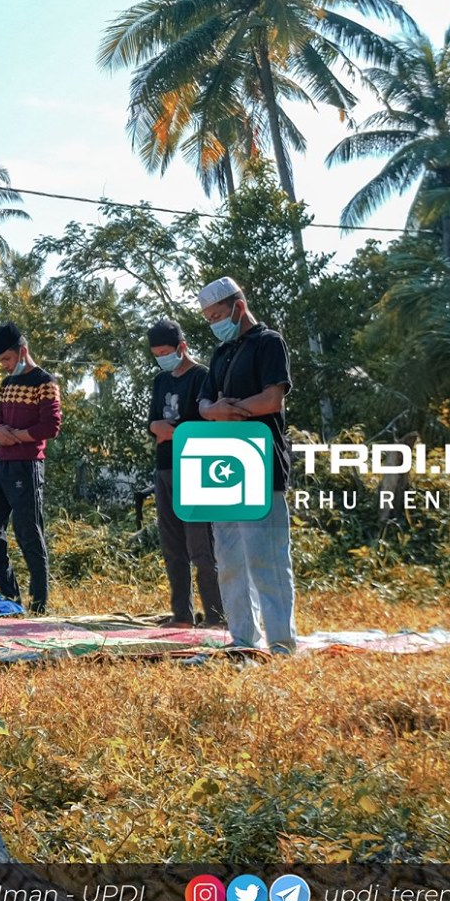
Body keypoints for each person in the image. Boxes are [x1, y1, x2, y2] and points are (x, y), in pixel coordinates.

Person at [195, 275, 298, 654]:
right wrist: (216, 410)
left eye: (218, 314)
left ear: (238, 308)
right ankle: (243, 641)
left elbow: (272, 399)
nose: (214, 323)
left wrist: (227, 410)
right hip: (222, 464)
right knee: (230, 558)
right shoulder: (220, 354)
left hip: (260, 459)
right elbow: (204, 405)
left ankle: (282, 645)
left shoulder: (269, 344)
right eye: (208, 318)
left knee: (266, 558)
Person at [0, 321, 61, 614]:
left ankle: (39, 604)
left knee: (28, 533)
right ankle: (11, 598)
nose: (3, 365)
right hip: (1, 464)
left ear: (22, 351)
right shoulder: (7, 384)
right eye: (0, 360)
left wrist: (17, 437)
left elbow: (51, 426)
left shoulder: (44, 381)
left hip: (27, 466)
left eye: (7, 359)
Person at [146, 317, 223, 627]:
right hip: (164, 467)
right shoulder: (160, 381)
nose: (162, 357)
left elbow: (204, 425)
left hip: (194, 467)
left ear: (182, 346)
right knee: (172, 545)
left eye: (166, 351)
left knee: (201, 547)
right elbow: (153, 424)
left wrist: (172, 431)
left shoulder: (203, 376)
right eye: (156, 353)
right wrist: (168, 430)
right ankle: (182, 615)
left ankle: (216, 615)